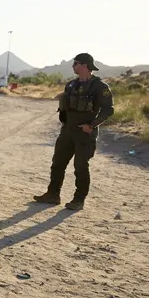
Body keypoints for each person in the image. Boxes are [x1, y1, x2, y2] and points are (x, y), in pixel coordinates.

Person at [34, 53, 114, 210]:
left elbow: (108, 110)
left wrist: (92, 125)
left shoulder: (100, 87)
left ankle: (79, 200)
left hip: (84, 133)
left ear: (85, 65)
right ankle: (52, 194)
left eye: (76, 63)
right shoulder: (71, 85)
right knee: (57, 164)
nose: (73, 66)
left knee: (80, 166)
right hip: (67, 131)